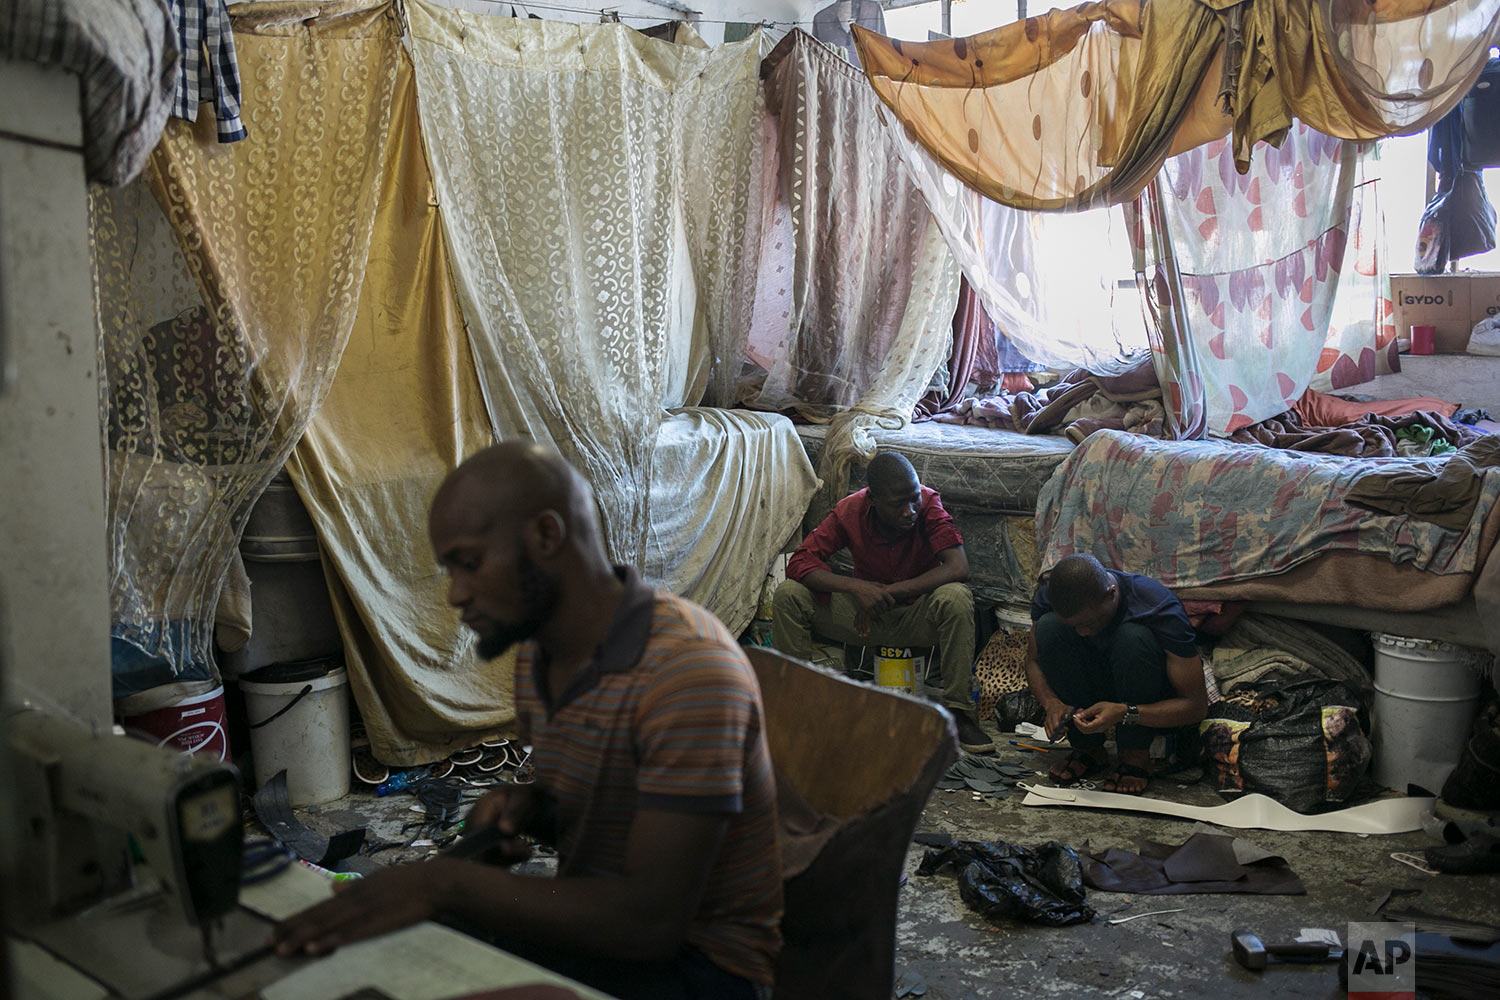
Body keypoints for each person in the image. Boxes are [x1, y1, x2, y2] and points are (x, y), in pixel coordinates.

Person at [273, 442, 782, 1000]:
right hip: (610, 936)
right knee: (377, 958)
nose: (456, 594)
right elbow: (605, 801)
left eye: (469, 563)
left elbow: (650, 925)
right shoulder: (542, 658)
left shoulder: (687, 672)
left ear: (546, 536)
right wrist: (531, 809)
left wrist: (446, 883)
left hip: (700, 966)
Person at [771, 452, 990, 752]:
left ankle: (959, 714)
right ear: (873, 499)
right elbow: (801, 562)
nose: (909, 511)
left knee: (956, 597)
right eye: (898, 504)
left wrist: (891, 592)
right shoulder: (850, 510)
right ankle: (801, 711)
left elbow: (958, 568)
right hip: (865, 619)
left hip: (916, 615)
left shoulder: (929, 504)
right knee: (789, 595)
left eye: (913, 499)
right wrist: (856, 588)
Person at [1024, 553, 1208, 795]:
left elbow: (1195, 706)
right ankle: (1088, 750)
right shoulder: (1050, 597)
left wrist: (1126, 712)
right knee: (1048, 628)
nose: (1081, 632)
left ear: (1111, 594)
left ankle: (1135, 754)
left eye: (1089, 623)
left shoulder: (1157, 606)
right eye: (1073, 625)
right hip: (1099, 682)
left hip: (1144, 691)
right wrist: (1051, 703)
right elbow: (1032, 661)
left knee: (1133, 639)